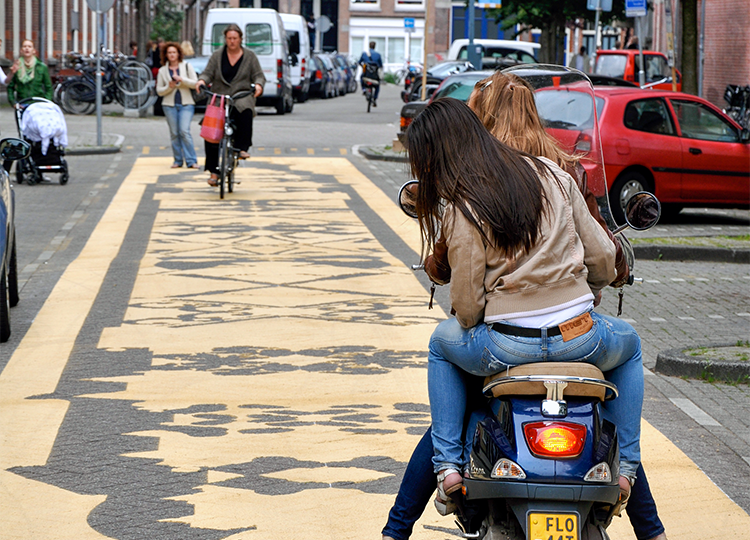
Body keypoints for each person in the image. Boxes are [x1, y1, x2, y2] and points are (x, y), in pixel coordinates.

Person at [384, 97, 649, 538]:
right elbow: (603, 259)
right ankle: (628, 471)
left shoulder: (464, 201)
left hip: (506, 344)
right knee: (632, 345)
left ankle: (448, 468)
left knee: (441, 345)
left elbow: (467, 308)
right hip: (580, 339)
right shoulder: (554, 174)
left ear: (436, 156)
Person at [195, 23, 265, 187]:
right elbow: (208, 72)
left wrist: (259, 85)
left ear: (241, 39)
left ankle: (242, 147)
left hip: (241, 95)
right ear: (225, 39)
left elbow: (258, 75)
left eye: (235, 38)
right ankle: (213, 171)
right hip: (220, 97)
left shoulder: (250, 56)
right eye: (229, 38)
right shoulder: (217, 55)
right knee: (211, 133)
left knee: (245, 111)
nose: (232, 41)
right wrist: (202, 80)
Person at [156, 42, 200, 170]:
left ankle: (191, 160)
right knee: (174, 133)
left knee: (184, 131)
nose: (172, 55)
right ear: (166, 55)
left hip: (186, 104)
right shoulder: (163, 70)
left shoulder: (186, 66)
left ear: (179, 54)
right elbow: (159, 91)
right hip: (169, 105)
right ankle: (178, 160)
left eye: (174, 52)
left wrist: (181, 80)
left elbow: (195, 83)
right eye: (169, 53)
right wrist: (169, 87)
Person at [7, 39, 53, 105]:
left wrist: (45, 103)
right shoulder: (16, 67)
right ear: (21, 50)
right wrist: (13, 103)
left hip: (38, 104)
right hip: (22, 103)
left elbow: (49, 88)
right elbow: (10, 87)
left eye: (29, 46)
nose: (27, 48)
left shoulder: (41, 67)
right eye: (24, 46)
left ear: (34, 51)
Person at [359, 41, 382, 106]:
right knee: (377, 85)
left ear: (369, 46)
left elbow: (359, 62)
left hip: (366, 74)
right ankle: (375, 98)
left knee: (361, 78)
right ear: (375, 47)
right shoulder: (378, 55)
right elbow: (380, 65)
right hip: (374, 75)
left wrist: (363, 67)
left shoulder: (364, 54)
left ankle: (363, 89)